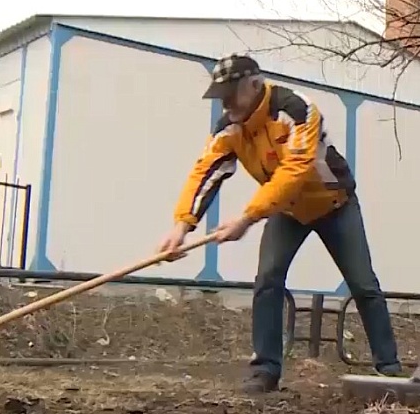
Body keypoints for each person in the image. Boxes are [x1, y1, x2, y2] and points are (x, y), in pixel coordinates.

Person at [156, 54, 401, 393]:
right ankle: (265, 370)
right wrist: (182, 225)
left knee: (363, 284)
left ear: (255, 85)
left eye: (231, 93)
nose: (225, 104)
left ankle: (389, 367)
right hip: (287, 212)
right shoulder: (230, 128)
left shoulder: (297, 110)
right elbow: (207, 172)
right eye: (220, 96)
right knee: (268, 279)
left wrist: (247, 217)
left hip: (335, 205)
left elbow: (295, 171)